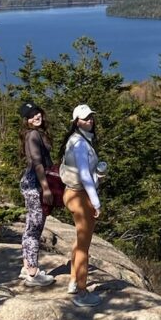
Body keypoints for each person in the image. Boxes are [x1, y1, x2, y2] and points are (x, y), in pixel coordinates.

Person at [59, 104, 103, 307]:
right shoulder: (79, 144)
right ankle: (82, 293)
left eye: (91, 117)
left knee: (79, 240)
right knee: (84, 245)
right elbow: (84, 176)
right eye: (85, 119)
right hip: (79, 195)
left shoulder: (79, 140)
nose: (90, 121)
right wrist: (96, 202)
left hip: (74, 192)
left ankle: (73, 281)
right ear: (77, 122)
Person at [18, 102, 55, 287]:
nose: (36, 117)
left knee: (31, 226)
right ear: (26, 120)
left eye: (37, 112)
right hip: (35, 183)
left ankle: (27, 267)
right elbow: (38, 163)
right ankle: (32, 273)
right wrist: (46, 188)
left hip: (32, 182)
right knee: (35, 227)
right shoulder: (33, 135)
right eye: (31, 116)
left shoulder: (36, 133)